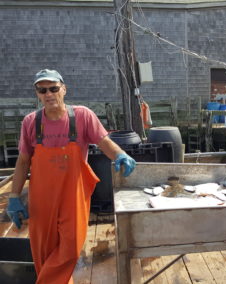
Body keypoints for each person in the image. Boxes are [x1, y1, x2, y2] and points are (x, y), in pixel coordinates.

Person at [6, 69, 137, 284]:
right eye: (42, 90)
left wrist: (120, 154)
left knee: (72, 247)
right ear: (38, 93)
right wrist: (13, 197)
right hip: (42, 199)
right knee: (43, 252)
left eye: (54, 88)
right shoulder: (31, 122)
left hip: (73, 196)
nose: (48, 94)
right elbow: (22, 161)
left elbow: (104, 142)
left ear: (64, 89)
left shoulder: (82, 116)